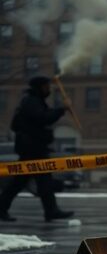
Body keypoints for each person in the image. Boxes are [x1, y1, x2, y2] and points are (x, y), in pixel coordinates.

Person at [0, 76, 74, 222]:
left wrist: (60, 110)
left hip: (34, 148)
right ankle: (50, 211)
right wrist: (62, 109)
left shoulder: (34, 101)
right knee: (28, 181)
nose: (49, 89)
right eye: (47, 86)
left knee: (33, 181)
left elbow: (42, 116)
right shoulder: (31, 101)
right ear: (40, 87)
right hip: (32, 149)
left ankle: (50, 210)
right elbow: (43, 118)